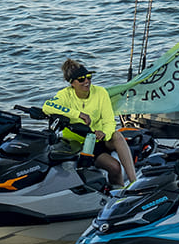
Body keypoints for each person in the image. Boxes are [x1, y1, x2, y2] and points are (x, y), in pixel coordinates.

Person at [41, 59, 137, 187]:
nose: (87, 82)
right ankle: (116, 191)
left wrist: (104, 133)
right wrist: (78, 114)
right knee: (115, 167)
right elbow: (47, 106)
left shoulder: (101, 92)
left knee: (117, 136)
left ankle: (133, 182)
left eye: (89, 77)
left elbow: (109, 121)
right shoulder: (65, 95)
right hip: (80, 144)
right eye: (81, 79)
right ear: (72, 83)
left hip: (101, 138)